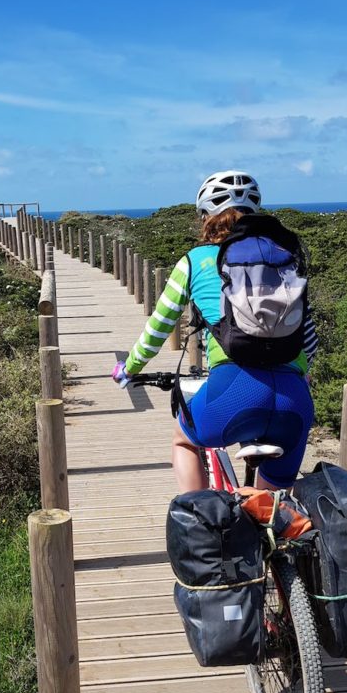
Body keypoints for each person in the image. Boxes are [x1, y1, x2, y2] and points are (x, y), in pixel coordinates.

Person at [112, 171, 317, 492]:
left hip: (235, 391)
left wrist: (129, 368)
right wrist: (299, 374)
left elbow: (159, 327)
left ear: (206, 217)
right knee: (272, 511)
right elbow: (308, 337)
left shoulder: (196, 260)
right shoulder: (283, 260)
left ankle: (199, 519)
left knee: (184, 441)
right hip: (295, 401)